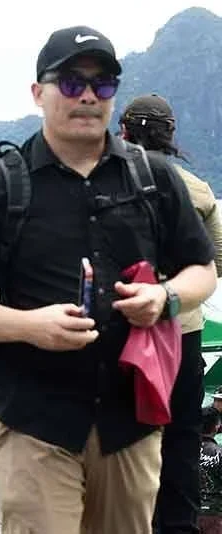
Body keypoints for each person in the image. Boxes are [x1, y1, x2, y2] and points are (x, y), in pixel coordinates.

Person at [0, 25, 218, 533]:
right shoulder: (1, 187)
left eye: (102, 83)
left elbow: (202, 269)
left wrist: (165, 296)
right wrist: (29, 326)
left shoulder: (154, 179)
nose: (87, 94)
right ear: (38, 92)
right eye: (70, 82)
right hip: (32, 417)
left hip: (130, 419)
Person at [119, 94, 222, 533]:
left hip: (123, 334)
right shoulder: (196, 190)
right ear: (171, 135)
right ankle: (178, 527)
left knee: (122, 440)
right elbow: (217, 259)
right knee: (181, 437)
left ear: (123, 132)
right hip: (183, 332)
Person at [200, 406, 222, 533]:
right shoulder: (219, 453)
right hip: (214, 515)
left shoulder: (183, 452)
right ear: (217, 426)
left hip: (186, 513)